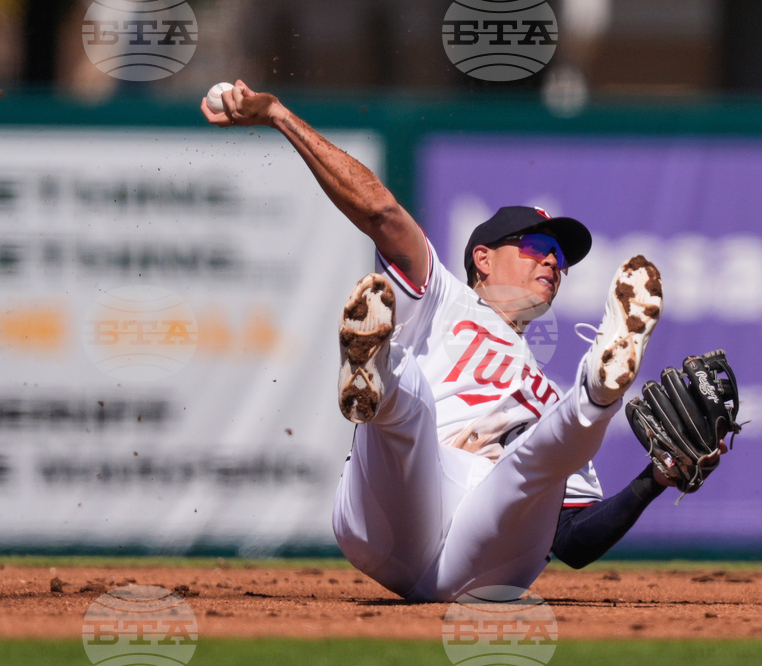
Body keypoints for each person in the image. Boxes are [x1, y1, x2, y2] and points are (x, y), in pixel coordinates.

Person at [201, 82, 723, 602]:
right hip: (396, 512)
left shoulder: (544, 394)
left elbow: (574, 543)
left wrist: (656, 479)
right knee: (412, 407)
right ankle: (372, 370)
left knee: (539, 455)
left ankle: (599, 391)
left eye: (559, 260)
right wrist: (277, 114)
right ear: (483, 259)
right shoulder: (443, 299)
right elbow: (381, 212)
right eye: (538, 246)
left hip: (483, 562)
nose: (552, 263)